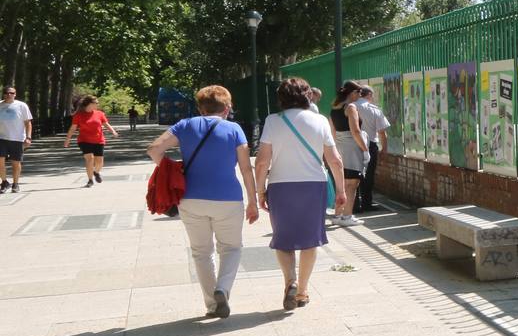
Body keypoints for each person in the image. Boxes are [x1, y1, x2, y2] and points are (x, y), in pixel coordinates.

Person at [145, 86, 259, 318]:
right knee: (231, 248)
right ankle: (223, 289)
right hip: (228, 198)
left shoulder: (185, 125)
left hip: (191, 198)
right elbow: (246, 168)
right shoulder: (235, 129)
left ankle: (212, 304)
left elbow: (155, 149)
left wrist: (170, 168)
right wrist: (253, 201)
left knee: (201, 252)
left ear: (200, 108)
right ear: (227, 108)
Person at [254, 77, 345, 309]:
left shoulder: (273, 121)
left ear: (281, 98)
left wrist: (260, 192)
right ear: (307, 95)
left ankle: (290, 282)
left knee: (283, 240)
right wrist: (341, 190)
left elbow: (262, 162)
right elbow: (334, 160)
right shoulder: (320, 121)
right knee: (309, 241)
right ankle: (303, 291)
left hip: (280, 185)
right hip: (313, 185)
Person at [328, 80, 368, 227]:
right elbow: (355, 131)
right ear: (352, 93)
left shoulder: (334, 108)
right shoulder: (350, 107)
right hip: (352, 147)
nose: (360, 95)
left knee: (342, 184)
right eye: (359, 92)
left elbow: (332, 132)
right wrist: (365, 149)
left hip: (339, 146)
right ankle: (347, 216)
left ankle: (338, 214)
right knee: (352, 183)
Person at [64, 95, 120, 187]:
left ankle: (96, 172)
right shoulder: (78, 115)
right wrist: (67, 139)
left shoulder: (100, 114)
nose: (98, 104)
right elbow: (73, 128)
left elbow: (106, 124)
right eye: (96, 103)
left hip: (98, 140)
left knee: (100, 162)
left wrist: (113, 131)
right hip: (84, 140)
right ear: (90, 104)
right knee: (90, 159)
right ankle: (90, 180)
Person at [355, 84, 389, 213]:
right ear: (369, 94)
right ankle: (366, 203)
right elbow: (381, 132)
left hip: (353, 145)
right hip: (370, 145)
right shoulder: (374, 109)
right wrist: (384, 148)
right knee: (368, 175)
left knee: (353, 174)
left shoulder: (351, 106)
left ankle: (354, 204)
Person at [0, 85, 33, 193]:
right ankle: (4, 182)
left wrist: (28, 137)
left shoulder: (21, 105)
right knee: (0, 161)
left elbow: (28, 123)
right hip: (2, 138)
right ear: (3, 94)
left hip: (17, 138)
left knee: (16, 162)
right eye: (7, 93)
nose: (9, 95)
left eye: (12, 93)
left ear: (15, 94)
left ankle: (15, 184)